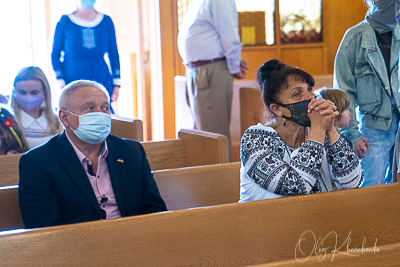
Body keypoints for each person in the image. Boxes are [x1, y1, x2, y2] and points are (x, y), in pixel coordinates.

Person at [18, 80, 167, 229]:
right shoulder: (38, 162)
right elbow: (45, 229)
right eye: (89, 108)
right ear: (64, 117)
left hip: (133, 241)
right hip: (76, 247)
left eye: (105, 108)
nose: (100, 114)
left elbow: (155, 210)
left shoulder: (131, 151)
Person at [239, 60, 363, 203]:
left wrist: (331, 130)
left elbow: (352, 183)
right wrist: (317, 130)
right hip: (266, 222)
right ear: (277, 109)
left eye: (309, 90)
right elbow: (296, 186)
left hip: (317, 221)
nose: (311, 97)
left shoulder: (319, 131)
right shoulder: (255, 139)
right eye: (297, 94)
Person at [333, 0, 400, 187]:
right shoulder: (354, 39)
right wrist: (352, 133)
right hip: (373, 127)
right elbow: (344, 93)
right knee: (372, 187)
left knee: (397, 186)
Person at [177, 0, 248, 160]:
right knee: (202, 134)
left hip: (211, 70)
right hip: (196, 70)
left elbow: (229, 34)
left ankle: (220, 181)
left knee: (215, 135)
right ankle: (205, 180)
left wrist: (234, 66)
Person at [51, 0, 121, 112]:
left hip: (102, 83)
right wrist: (60, 82)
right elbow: (55, 55)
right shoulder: (64, 22)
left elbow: (113, 54)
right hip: (72, 85)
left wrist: (116, 84)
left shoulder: (106, 21)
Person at [11, 66, 62, 149]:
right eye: (22, 92)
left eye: (34, 92)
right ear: (14, 92)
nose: (28, 97)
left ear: (45, 92)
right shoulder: (7, 122)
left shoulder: (58, 122)